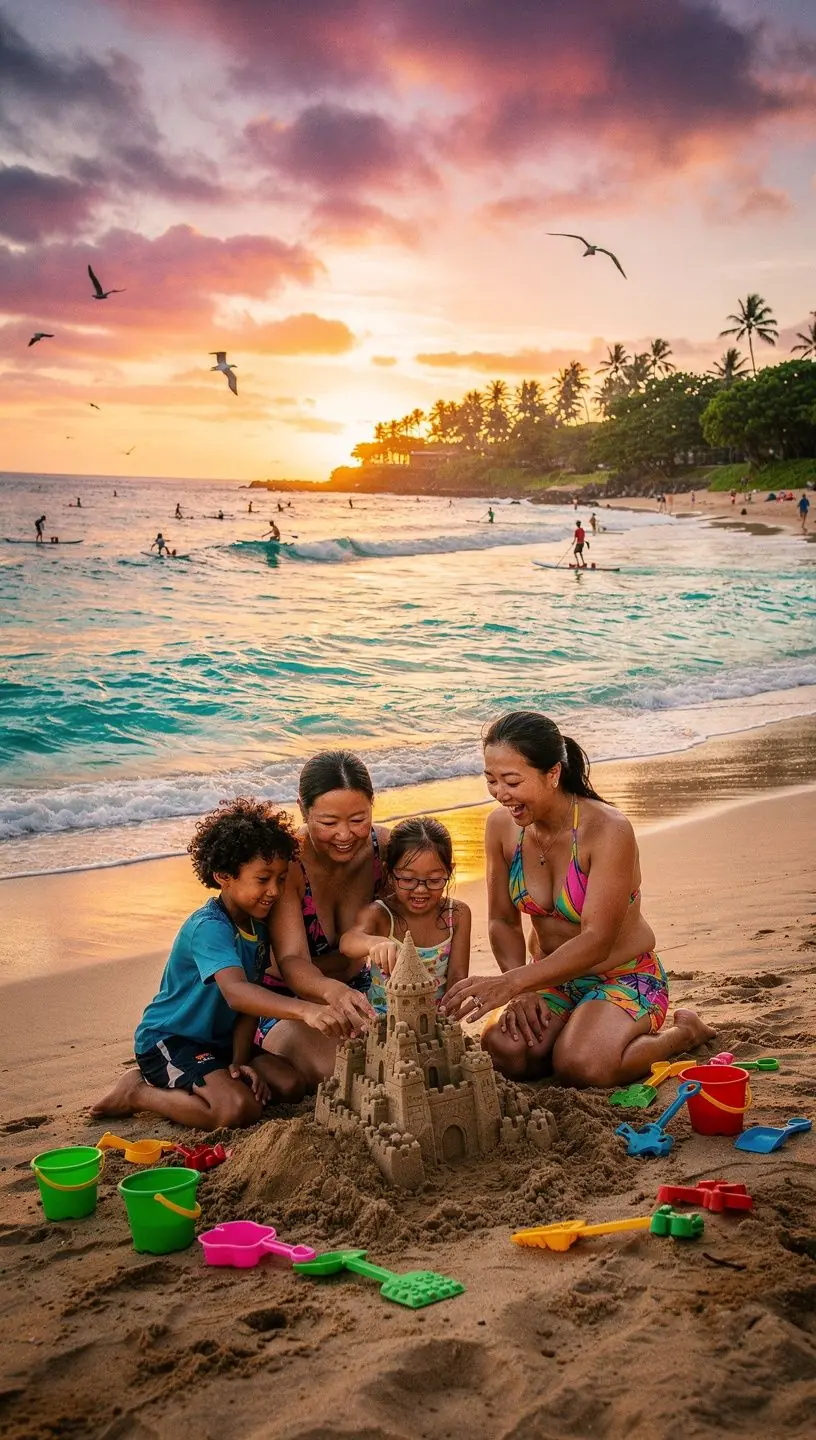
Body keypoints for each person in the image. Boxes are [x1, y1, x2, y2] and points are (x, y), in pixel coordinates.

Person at [440, 712, 714, 1086]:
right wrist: (524, 988)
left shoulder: (608, 830)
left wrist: (514, 982)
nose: (501, 794)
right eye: (491, 780)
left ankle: (683, 1034)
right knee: (505, 1050)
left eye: (512, 781)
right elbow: (502, 921)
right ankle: (574, 1028)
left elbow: (597, 940)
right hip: (549, 978)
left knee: (581, 1065)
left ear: (552, 774)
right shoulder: (501, 827)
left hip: (623, 975)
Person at [91, 800, 340, 1129]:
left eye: (281, 879)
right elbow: (237, 993)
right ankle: (136, 1092)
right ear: (224, 876)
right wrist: (305, 1010)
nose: (275, 891)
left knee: (290, 1085)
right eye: (263, 879)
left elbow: (248, 1007)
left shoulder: (258, 924)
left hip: (220, 1041)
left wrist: (239, 1063)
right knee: (237, 1109)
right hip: (173, 1039)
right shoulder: (209, 928)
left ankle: (222, 1075)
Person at [258, 751, 389, 1088]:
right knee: (344, 1070)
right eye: (329, 823)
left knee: (405, 1058)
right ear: (303, 809)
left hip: (361, 990)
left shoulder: (384, 849)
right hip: (290, 1001)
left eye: (358, 819)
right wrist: (331, 992)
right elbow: (292, 958)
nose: (344, 835)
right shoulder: (287, 864)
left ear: (373, 804)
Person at [341, 816, 471, 1014]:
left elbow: (457, 977)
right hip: (384, 1021)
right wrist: (372, 943)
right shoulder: (381, 914)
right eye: (408, 879)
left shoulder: (457, 915)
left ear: (449, 871)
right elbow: (348, 942)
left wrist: (444, 1019)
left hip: (433, 1020)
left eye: (434, 880)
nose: (420, 890)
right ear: (390, 874)